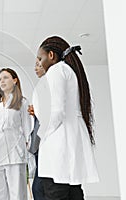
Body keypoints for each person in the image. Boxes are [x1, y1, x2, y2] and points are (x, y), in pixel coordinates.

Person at [33, 36, 99, 200]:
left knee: (55, 193)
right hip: (69, 140)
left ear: (51, 55)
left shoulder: (56, 70)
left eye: (40, 58)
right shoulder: (67, 71)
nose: (39, 63)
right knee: (73, 192)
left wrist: (40, 136)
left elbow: (56, 111)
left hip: (58, 143)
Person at [0, 68, 32, 200]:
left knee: (17, 194)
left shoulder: (22, 102)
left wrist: (28, 149)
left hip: (15, 154)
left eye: (5, 77)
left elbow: (28, 128)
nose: (2, 81)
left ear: (15, 80)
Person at [28, 63, 46, 200]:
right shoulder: (41, 87)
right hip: (38, 142)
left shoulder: (49, 86)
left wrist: (39, 111)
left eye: (38, 64)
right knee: (38, 186)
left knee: (38, 187)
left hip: (44, 142)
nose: (35, 68)